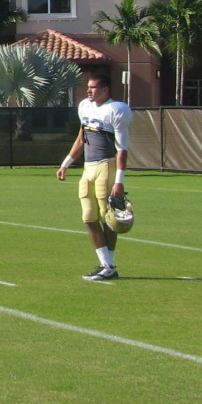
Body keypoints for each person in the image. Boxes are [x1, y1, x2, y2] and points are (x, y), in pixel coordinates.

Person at [56, 73, 132, 281]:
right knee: (88, 218)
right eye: (88, 87)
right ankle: (106, 264)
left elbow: (122, 149)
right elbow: (81, 139)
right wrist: (66, 163)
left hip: (106, 166)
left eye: (94, 87)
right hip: (87, 168)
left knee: (108, 218)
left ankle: (108, 265)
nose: (89, 90)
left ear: (106, 90)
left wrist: (119, 180)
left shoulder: (117, 109)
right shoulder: (84, 106)